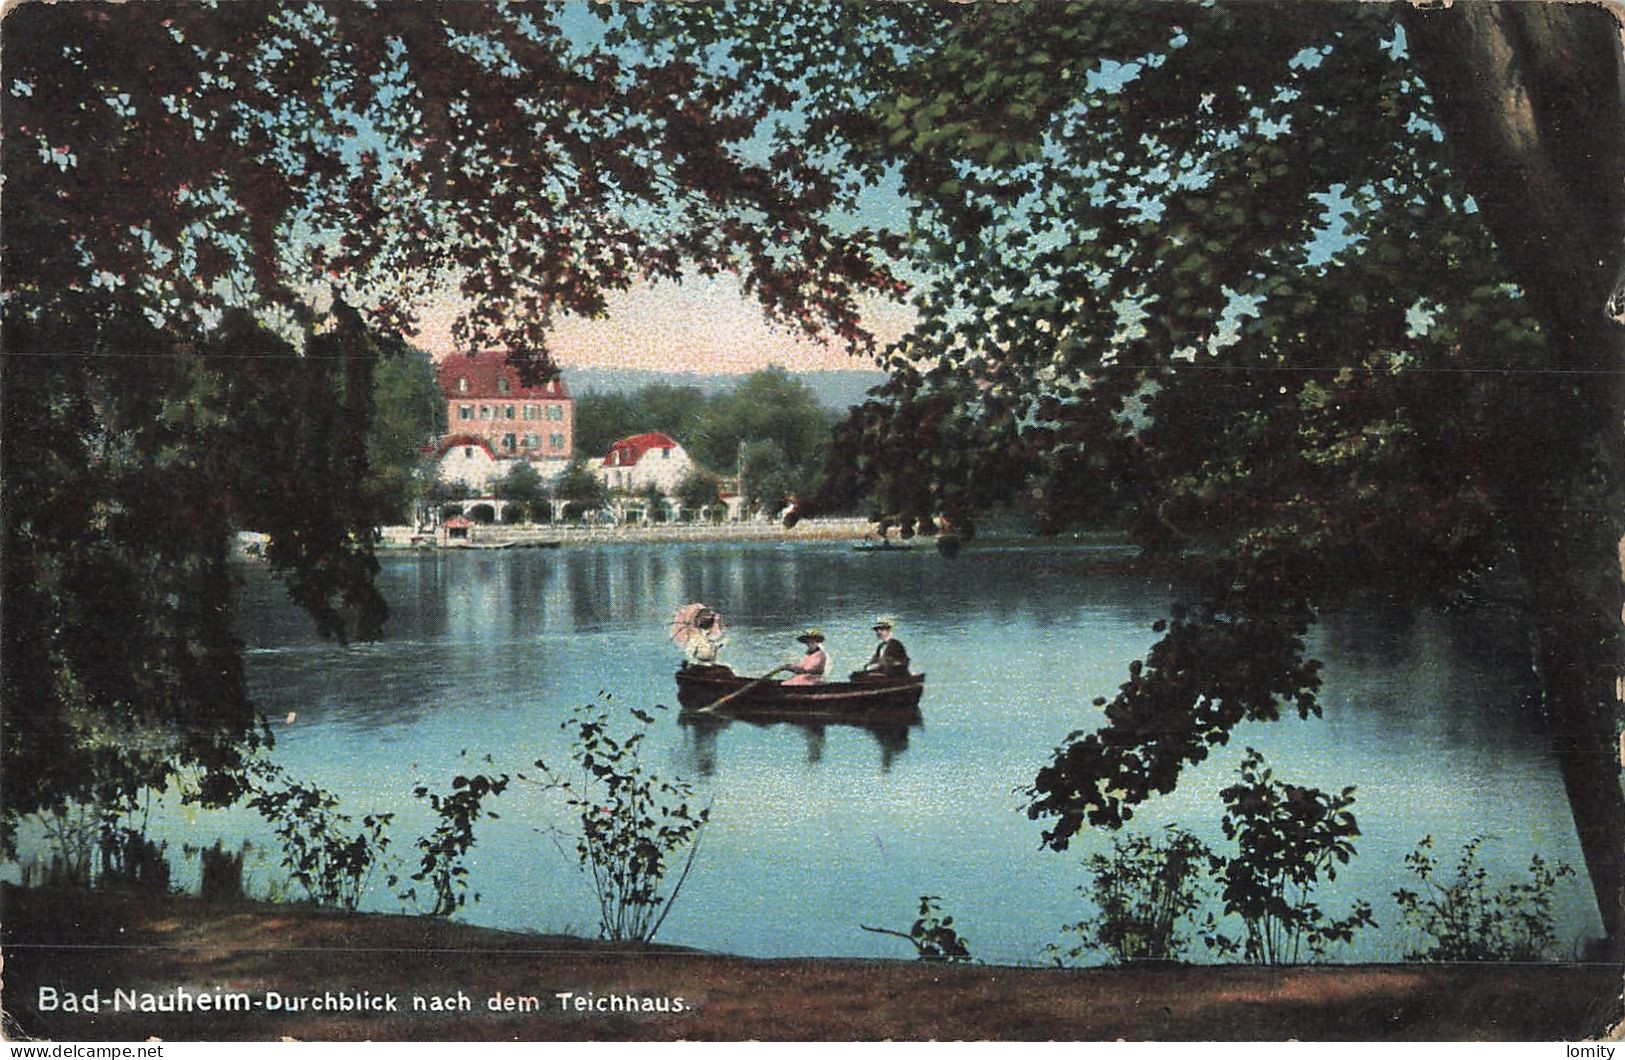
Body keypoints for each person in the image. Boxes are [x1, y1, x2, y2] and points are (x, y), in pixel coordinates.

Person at [855, 615, 910, 679]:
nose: (879, 632)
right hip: (884, 671)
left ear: (888, 631)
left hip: (895, 674)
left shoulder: (895, 644)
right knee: (856, 674)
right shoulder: (881, 646)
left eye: (881, 629)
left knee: (869, 676)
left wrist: (877, 666)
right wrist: (868, 666)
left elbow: (893, 662)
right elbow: (875, 659)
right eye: (877, 630)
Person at [683, 608, 730, 672]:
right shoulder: (696, 638)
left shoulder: (709, 638)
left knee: (725, 670)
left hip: (709, 665)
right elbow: (692, 653)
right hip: (700, 667)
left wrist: (717, 646)